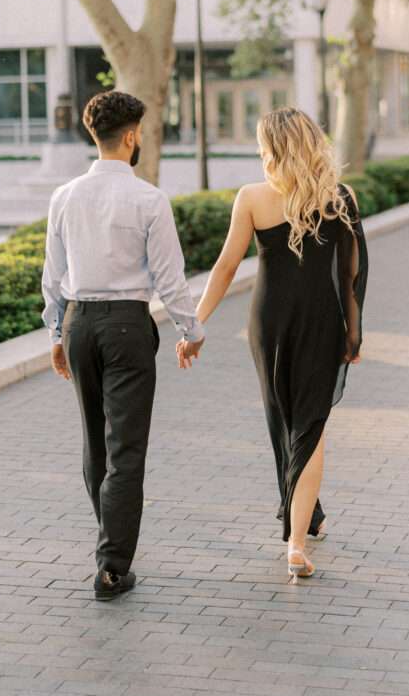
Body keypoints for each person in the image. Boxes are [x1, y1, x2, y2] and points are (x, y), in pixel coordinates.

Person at [179, 106, 368, 582]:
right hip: (321, 321)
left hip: (267, 323)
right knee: (310, 426)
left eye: (264, 146)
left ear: (277, 149)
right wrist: (353, 330)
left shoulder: (252, 198)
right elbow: (351, 275)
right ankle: (300, 536)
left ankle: (301, 528)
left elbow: (225, 268)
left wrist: (194, 324)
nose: (260, 155)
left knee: (287, 420)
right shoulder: (339, 198)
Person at [41, 91, 205, 602]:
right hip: (128, 328)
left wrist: (55, 333)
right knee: (125, 449)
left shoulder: (64, 197)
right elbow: (170, 280)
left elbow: (52, 277)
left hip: (79, 323)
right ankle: (112, 568)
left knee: (96, 442)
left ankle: (111, 541)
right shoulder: (149, 200)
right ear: (131, 137)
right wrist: (191, 331)